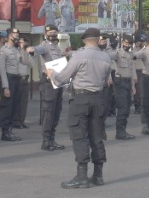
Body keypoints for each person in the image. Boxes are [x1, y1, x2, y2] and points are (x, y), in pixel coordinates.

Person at [50, 28, 110, 189]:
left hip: (81, 99)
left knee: (79, 136)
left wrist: (51, 74)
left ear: (84, 40)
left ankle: (82, 176)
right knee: (97, 136)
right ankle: (98, 175)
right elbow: (106, 80)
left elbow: (63, 77)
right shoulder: (106, 57)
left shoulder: (79, 56)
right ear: (98, 40)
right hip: (98, 98)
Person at [34, 25, 68, 151]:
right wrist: (30, 49)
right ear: (45, 34)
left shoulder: (57, 47)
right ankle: (46, 141)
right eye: (50, 32)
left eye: (54, 32)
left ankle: (52, 139)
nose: (52, 34)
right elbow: (36, 50)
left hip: (58, 82)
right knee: (48, 111)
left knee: (56, 111)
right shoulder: (44, 46)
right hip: (48, 83)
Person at [109, 35, 137, 138]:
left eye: (129, 44)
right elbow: (107, 57)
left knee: (128, 107)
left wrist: (133, 85)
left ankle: (123, 129)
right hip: (120, 82)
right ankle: (120, 132)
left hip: (128, 82)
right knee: (122, 107)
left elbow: (131, 69)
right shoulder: (117, 53)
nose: (126, 45)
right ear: (122, 42)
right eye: (125, 43)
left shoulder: (130, 54)